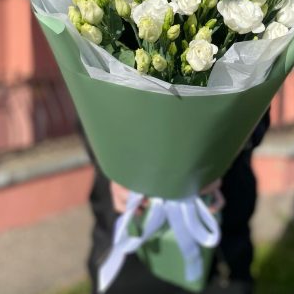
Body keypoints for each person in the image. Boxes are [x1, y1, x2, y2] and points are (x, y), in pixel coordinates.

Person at [83, 110, 270, 294]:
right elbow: (88, 105)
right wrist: (110, 162)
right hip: (129, 215)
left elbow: (256, 105)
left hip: (221, 213)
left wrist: (226, 152)